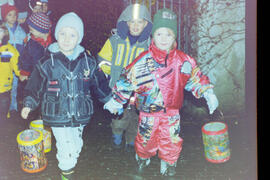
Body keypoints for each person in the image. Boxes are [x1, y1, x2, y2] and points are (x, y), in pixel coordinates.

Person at [103, 8, 219, 177]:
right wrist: (117, 100)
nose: (163, 39)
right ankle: (142, 158)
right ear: (152, 36)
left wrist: (207, 93)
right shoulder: (143, 60)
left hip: (172, 113)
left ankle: (169, 162)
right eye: (159, 34)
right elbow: (127, 80)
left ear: (174, 37)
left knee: (171, 141)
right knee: (145, 140)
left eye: (168, 34)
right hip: (148, 112)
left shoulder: (182, 61)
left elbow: (195, 77)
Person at [21, 12, 111, 180]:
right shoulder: (47, 62)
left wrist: (109, 100)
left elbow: (98, 83)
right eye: (62, 33)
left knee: (76, 146)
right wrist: (29, 103)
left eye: (72, 34)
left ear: (79, 37)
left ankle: (68, 165)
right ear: (56, 35)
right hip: (56, 112)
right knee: (65, 147)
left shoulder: (87, 61)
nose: (67, 38)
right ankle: (66, 173)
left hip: (80, 113)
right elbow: (35, 84)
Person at [98, 3, 152, 152]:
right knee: (119, 117)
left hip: (137, 91)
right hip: (118, 88)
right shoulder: (115, 41)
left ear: (145, 24)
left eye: (139, 22)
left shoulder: (148, 45)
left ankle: (131, 141)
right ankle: (116, 136)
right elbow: (103, 60)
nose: (135, 26)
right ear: (126, 23)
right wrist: (113, 73)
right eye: (132, 22)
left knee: (136, 118)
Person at [18, 12, 52, 119]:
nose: (30, 31)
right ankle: (39, 117)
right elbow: (26, 58)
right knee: (37, 95)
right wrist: (24, 72)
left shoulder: (54, 41)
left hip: (51, 77)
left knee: (49, 98)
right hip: (36, 75)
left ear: (41, 29)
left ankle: (48, 116)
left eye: (32, 29)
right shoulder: (31, 43)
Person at [1, 3, 26, 116]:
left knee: (14, 86)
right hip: (5, 64)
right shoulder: (3, 30)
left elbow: (25, 44)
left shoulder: (20, 30)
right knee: (6, 87)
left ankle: (13, 108)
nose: (13, 17)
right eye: (10, 15)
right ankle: (5, 109)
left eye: (15, 15)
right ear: (5, 16)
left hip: (16, 63)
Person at [0, 22, 20, 121]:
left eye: (0, 31)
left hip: (4, 85)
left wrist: (22, 73)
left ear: (5, 33)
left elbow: (17, 63)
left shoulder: (9, 49)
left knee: (4, 107)